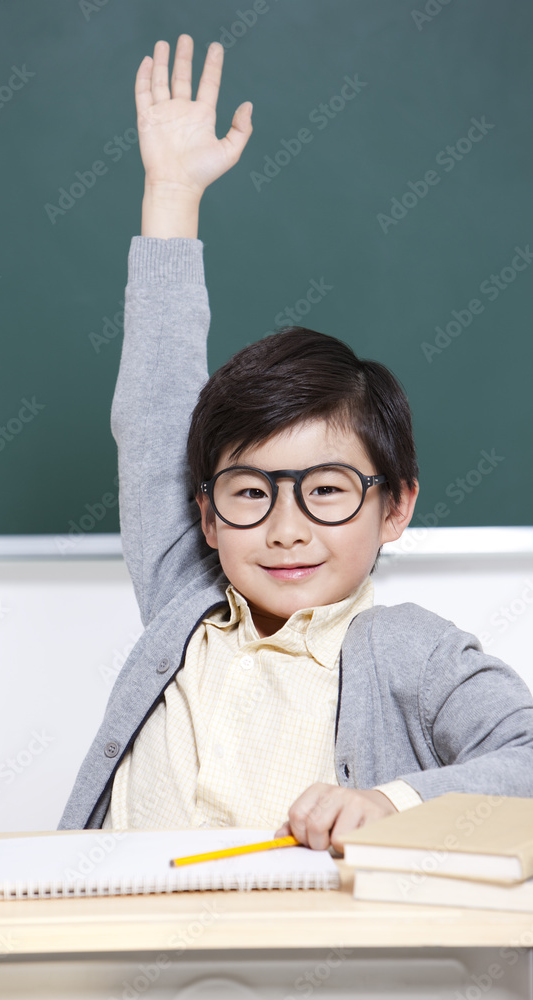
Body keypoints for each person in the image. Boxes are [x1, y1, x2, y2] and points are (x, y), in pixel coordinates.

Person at [59, 35, 533, 850]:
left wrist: (394, 800)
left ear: (394, 507)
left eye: (325, 490)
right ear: (204, 516)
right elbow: (154, 406)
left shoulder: (410, 654)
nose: (285, 527)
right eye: (250, 491)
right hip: (133, 954)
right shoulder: (184, 598)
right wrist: (170, 193)